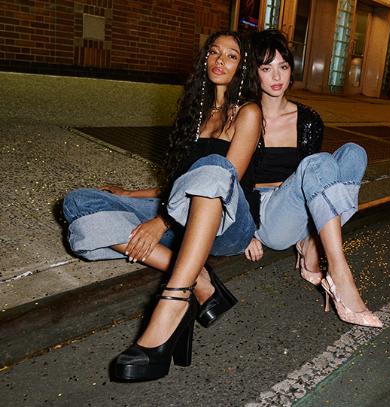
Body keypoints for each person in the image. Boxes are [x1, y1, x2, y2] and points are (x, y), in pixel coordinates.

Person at [63, 31, 262, 381]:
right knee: (78, 205)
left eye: (231, 56)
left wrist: (162, 222)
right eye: (214, 52)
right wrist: (132, 194)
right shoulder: (196, 113)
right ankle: (198, 276)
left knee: (214, 168)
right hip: (182, 218)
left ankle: (174, 300)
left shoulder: (248, 112)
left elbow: (222, 179)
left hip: (228, 224)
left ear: (243, 66)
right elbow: (181, 186)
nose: (219, 60)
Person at [244, 29, 382, 328]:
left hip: (300, 207)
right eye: (266, 68)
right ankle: (339, 274)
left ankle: (311, 244)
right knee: (318, 163)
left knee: (353, 153)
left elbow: (316, 182)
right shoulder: (244, 116)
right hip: (268, 215)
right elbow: (237, 176)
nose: (277, 76)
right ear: (254, 73)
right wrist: (245, 230)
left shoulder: (309, 119)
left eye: (283, 66)